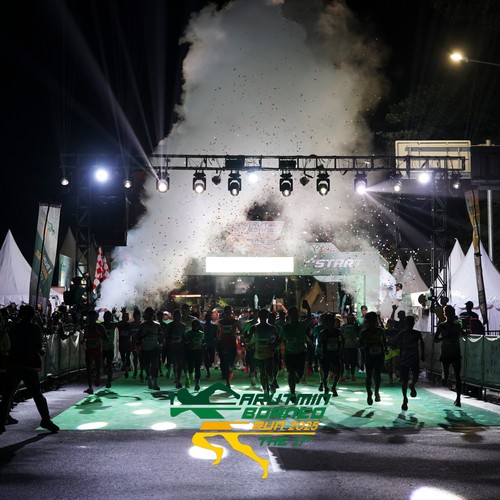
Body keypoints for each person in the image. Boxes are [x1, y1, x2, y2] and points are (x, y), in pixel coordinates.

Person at [0, 305, 59, 433]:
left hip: (14, 363)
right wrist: (39, 351)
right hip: (28, 365)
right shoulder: (34, 328)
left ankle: (1, 420)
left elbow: (10, 345)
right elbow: (37, 345)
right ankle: (45, 419)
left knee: (7, 394)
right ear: (32, 316)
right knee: (37, 394)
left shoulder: (14, 328)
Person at [281, 300, 312, 402]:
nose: (294, 316)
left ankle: (296, 378)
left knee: (299, 374)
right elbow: (281, 340)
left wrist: (308, 309)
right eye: (292, 314)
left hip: (300, 353)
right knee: (290, 372)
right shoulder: (285, 328)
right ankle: (292, 392)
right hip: (289, 354)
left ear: (298, 315)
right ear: (289, 315)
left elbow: (309, 319)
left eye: (295, 314)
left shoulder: (301, 325)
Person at [434, 305, 464, 407]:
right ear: (446, 314)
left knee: (458, 376)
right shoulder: (442, 326)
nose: (452, 315)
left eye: (453, 313)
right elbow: (435, 339)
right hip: (446, 353)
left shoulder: (457, 325)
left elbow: (462, 334)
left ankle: (458, 399)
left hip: (455, 353)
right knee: (446, 376)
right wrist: (443, 338)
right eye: (450, 313)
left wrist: (463, 333)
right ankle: (444, 378)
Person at [358, 311, 387, 405]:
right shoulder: (364, 332)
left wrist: (385, 350)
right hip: (369, 356)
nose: (372, 323)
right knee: (369, 376)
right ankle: (369, 393)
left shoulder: (380, 331)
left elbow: (384, 342)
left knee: (377, 375)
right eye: (370, 321)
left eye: (374, 320)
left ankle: (376, 391)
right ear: (367, 321)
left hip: (379, 356)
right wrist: (362, 359)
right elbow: (360, 346)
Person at [249, 308, 280, 397]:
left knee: (269, 374)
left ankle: (271, 383)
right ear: (259, 317)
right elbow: (248, 339)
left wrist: (274, 346)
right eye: (261, 316)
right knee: (262, 372)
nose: (263, 318)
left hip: (269, 354)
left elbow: (278, 339)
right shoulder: (254, 328)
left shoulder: (272, 328)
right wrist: (250, 345)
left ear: (267, 317)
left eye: (264, 316)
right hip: (258, 354)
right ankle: (265, 390)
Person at [397, 315, 425, 411]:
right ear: (406, 324)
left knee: (416, 376)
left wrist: (423, 354)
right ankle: (404, 399)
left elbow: (422, 343)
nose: (410, 325)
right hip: (404, 358)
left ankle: (412, 384)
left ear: (413, 324)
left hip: (414, 358)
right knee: (404, 380)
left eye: (411, 323)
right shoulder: (402, 333)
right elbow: (397, 344)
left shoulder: (417, 333)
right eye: (408, 323)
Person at [217, 305, 243, 388]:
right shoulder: (221, 322)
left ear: (231, 312)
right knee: (225, 363)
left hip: (232, 344)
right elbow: (217, 333)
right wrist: (218, 338)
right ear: (224, 312)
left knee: (230, 364)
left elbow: (242, 332)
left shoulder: (235, 322)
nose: (228, 313)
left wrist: (235, 334)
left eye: (229, 311)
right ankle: (227, 382)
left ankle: (229, 377)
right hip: (223, 344)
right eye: (226, 311)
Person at [319, 313, 345, 396]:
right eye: (328, 322)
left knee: (338, 371)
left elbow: (343, 339)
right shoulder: (323, 332)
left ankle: (334, 386)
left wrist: (341, 348)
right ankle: (326, 387)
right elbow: (319, 343)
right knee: (326, 373)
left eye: (332, 321)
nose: (330, 323)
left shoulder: (338, 331)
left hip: (336, 354)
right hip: (326, 355)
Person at [138, 307, 162, 390]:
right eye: (148, 314)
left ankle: (155, 383)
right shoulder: (142, 326)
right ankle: (149, 380)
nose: (150, 315)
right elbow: (138, 337)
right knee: (147, 365)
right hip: (145, 347)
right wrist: (145, 335)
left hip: (155, 347)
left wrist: (161, 343)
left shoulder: (157, 325)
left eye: (151, 314)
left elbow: (160, 335)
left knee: (155, 365)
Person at [165, 309, 187, 388]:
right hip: (171, 346)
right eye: (176, 316)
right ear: (173, 316)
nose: (178, 317)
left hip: (179, 346)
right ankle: (175, 376)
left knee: (179, 363)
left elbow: (183, 336)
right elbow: (166, 336)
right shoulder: (169, 325)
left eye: (179, 316)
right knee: (172, 363)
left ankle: (178, 380)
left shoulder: (183, 326)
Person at [185, 319, 205, 391]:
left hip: (198, 351)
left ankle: (197, 384)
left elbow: (203, 342)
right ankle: (189, 377)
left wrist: (203, 350)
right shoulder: (188, 333)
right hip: (190, 351)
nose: (195, 326)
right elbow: (185, 342)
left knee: (197, 368)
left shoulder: (201, 333)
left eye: (197, 324)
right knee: (190, 367)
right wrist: (189, 344)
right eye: (194, 325)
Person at [340, 313, 359, 382]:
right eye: (349, 318)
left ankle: (353, 374)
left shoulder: (356, 327)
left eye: (351, 318)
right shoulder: (343, 327)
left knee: (353, 361)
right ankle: (347, 372)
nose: (350, 320)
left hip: (354, 346)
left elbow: (359, 334)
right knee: (347, 360)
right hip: (346, 346)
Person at [101, 310, 117, 388]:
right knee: (101, 363)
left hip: (110, 348)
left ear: (110, 318)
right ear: (104, 317)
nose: (107, 318)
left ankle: (109, 381)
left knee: (110, 364)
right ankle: (103, 370)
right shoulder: (101, 325)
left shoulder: (112, 325)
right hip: (102, 348)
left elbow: (122, 323)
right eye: (106, 317)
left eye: (109, 317)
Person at [203, 309, 219, 379]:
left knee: (212, 358)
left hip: (212, 344)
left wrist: (216, 341)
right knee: (206, 357)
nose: (208, 319)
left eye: (209, 318)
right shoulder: (202, 326)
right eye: (207, 318)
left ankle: (209, 364)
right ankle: (208, 372)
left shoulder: (214, 326)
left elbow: (216, 335)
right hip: (205, 343)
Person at [384, 318, 400, 384]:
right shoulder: (385, 331)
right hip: (388, 349)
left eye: (391, 323)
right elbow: (384, 340)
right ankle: (390, 379)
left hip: (395, 349)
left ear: (393, 324)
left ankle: (397, 373)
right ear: (387, 324)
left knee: (395, 362)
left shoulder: (397, 331)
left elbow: (399, 340)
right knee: (389, 365)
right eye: (389, 323)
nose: (390, 325)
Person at [117, 310, 132, 378]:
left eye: (126, 317)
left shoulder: (129, 325)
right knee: (123, 357)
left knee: (127, 356)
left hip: (127, 343)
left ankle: (126, 370)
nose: (125, 318)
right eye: (124, 317)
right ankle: (126, 367)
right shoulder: (120, 324)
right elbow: (116, 323)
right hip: (122, 343)